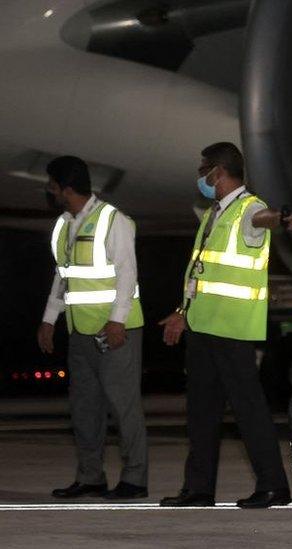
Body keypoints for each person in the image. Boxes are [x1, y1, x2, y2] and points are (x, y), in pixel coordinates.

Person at [157, 142, 292, 508]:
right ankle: (199, 489)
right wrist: (181, 313)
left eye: (202, 170)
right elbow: (200, 273)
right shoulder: (213, 214)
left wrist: (283, 218)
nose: (200, 178)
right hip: (204, 327)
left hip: (233, 328)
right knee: (201, 411)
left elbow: (262, 219)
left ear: (217, 172)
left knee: (248, 408)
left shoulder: (247, 208)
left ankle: (274, 486)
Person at [38, 155, 149, 500]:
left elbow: (127, 273)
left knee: (123, 405)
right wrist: (48, 319)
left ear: (65, 188)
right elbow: (64, 275)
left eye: (53, 186)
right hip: (79, 331)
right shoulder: (63, 225)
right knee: (84, 407)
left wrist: (117, 320)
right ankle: (90, 476)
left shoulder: (112, 220)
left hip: (116, 330)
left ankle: (134, 479)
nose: (50, 192)